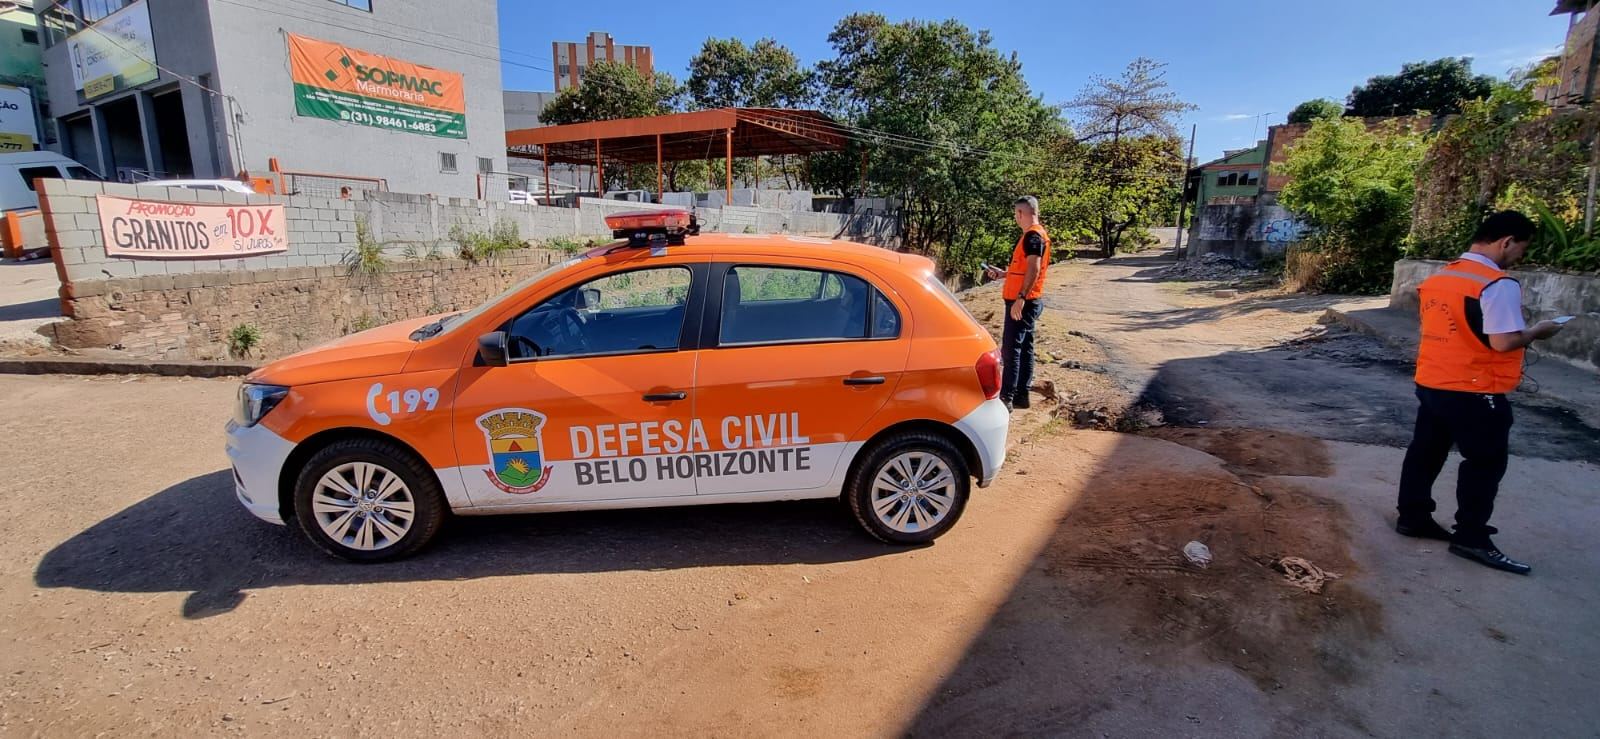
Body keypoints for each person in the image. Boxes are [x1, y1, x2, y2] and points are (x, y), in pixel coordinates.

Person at [1395, 210, 1565, 575]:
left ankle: (1413, 517)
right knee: (1485, 463)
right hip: (1475, 387)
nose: (1520, 256)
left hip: (1432, 380)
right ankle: (1471, 536)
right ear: (1506, 241)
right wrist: (1538, 331)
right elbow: (1503, 342)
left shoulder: (1443, 277)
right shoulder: (1495, 283)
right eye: (1521, 247)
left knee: (1425, 451)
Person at [984, 196, 1050, 411]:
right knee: (1025, 348)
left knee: (1011, 349)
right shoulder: (1036, 235)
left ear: (1021, 213)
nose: (1015, 218)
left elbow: (1034, 268)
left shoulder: (1032, 237)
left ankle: (1007, 398)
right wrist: (1005, 274)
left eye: (1016, 214)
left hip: (1023, 301)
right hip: (1029, 299)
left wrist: (1020, 299)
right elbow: (1025, 269)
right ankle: (1022, 395)